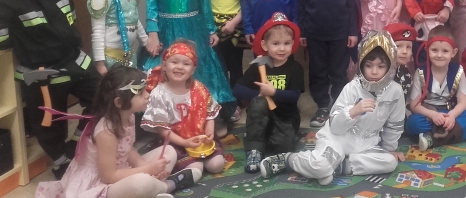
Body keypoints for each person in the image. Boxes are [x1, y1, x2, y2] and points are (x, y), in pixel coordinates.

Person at [0, 0, 100, 179]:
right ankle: (61, 161)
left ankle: (76, 144)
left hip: (76, 62)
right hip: (41, 75)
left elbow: (71, 21)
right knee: (48, 124)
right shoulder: (3, 3)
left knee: (103, 98)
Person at [259, 31, 406, 186]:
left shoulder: (395, 91)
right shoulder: (352, 87)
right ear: (361, 64)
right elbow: (335, 126)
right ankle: (289, 160)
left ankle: (337, 167)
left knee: (390, 162)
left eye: (381, 66)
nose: (374, 71)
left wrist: (390, 148)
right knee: (320, 165)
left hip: (366, 146)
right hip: (338, 140)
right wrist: (353, 111)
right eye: (368, 66)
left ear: (389, 67)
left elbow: (395, 124)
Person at [35, 66, 200, 198]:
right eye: (140, 93)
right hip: (98, 184)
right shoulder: (106, 132)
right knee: (140, 183)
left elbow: (127, 149)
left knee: (169, 151)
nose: (147, 95)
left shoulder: (128, 116)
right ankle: (169, 185)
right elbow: (108, 177)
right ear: (120, 103)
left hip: (121, 170)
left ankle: (153, 188)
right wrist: (148, 170)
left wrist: (147, 167)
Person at [141, 41, 226, 175]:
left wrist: (209, 131)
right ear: (164, 66)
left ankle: (198, 161)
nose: (180, 67)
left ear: (192, 70)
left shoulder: (199, 88)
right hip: (175, 141)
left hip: (200, 138)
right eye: (174, 62)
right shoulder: (159, 94)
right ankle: (183, 172)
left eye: (186, 64)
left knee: (217, 165)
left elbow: (209, 114)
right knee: (195, 168)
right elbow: (162, 130)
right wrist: (184, 142)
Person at [236, 13, 305, 174]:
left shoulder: (295, 68)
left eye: (286, 43)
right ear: (265, 45)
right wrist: (259, 94)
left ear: (293, 44)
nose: (282, 48)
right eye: (276, 43)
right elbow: (237, 90)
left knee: (284, 148)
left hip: (285, 117)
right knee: (259, 103)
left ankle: (266, 138)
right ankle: (254, 149)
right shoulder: (258, 65)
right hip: (261, 115)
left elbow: (294, 96)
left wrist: (273, 92)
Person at [406, 26, 466, 150]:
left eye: (445, 51)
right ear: (427, 50)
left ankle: (432, 139)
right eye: (434, 50)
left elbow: (463, 103)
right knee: (413, 123)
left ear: (453, 52)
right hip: (429, 115)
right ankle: (460, 132)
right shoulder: (420, 72)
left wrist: (451, 116)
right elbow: (414, 105)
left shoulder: (459, 71)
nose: (439, 55)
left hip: (449, 113)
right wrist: (433, 115)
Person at [384, 22, 416, 100]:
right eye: (398, 46)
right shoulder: (376, 73)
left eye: (408, 47)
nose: (405, 51)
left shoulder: (406, 74)